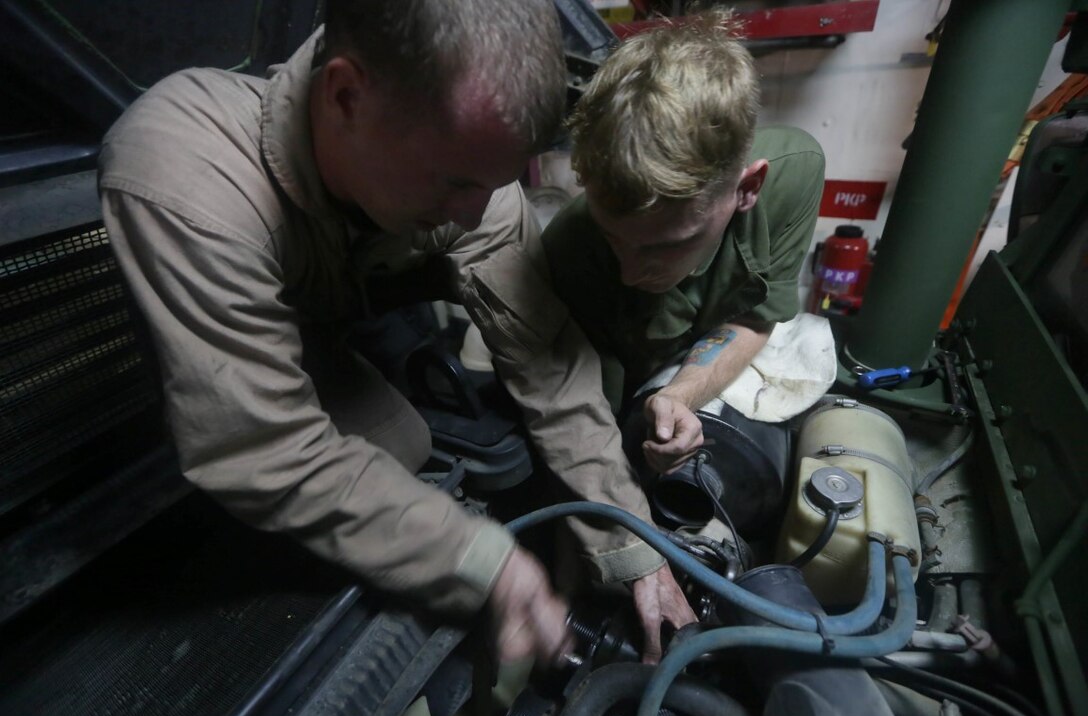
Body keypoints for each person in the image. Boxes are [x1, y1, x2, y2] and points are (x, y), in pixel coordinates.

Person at [98, 0, 578, 664]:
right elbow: (267, 446)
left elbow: (549, 365)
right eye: (457, 182)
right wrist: (484, 560)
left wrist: (631, 547)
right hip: (192, 420)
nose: (474, 215)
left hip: (306, 358)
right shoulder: (184, 172)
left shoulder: (462, 164)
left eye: (494, 182)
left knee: (406, 446)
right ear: (346, 95)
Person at [541, 12, 828, 529]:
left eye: (664, 245)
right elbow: (588, 426)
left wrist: (680, 395)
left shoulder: (795, 176)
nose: (629, 273)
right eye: (613, 238)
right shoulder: (568, 246)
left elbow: (758, 318)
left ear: (747, 189)